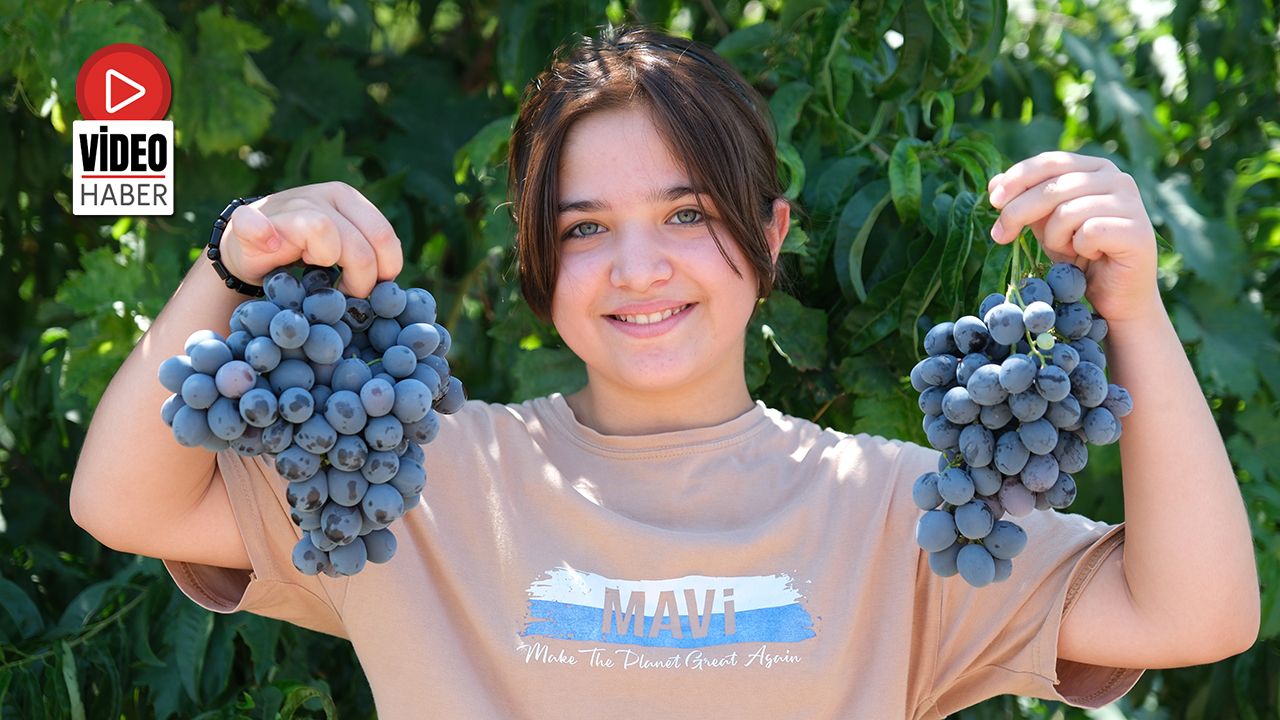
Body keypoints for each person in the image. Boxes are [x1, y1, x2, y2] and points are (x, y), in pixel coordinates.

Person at [69, 24, 1258, 719]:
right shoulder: (420, 477)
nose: (637, 268)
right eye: (584, 228)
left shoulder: (900, 513)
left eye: (685, 213)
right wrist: (233, 262)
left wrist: (1130, 309)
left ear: (772, 234)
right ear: (539, 265)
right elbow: (124, 502)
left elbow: (1195, 615)